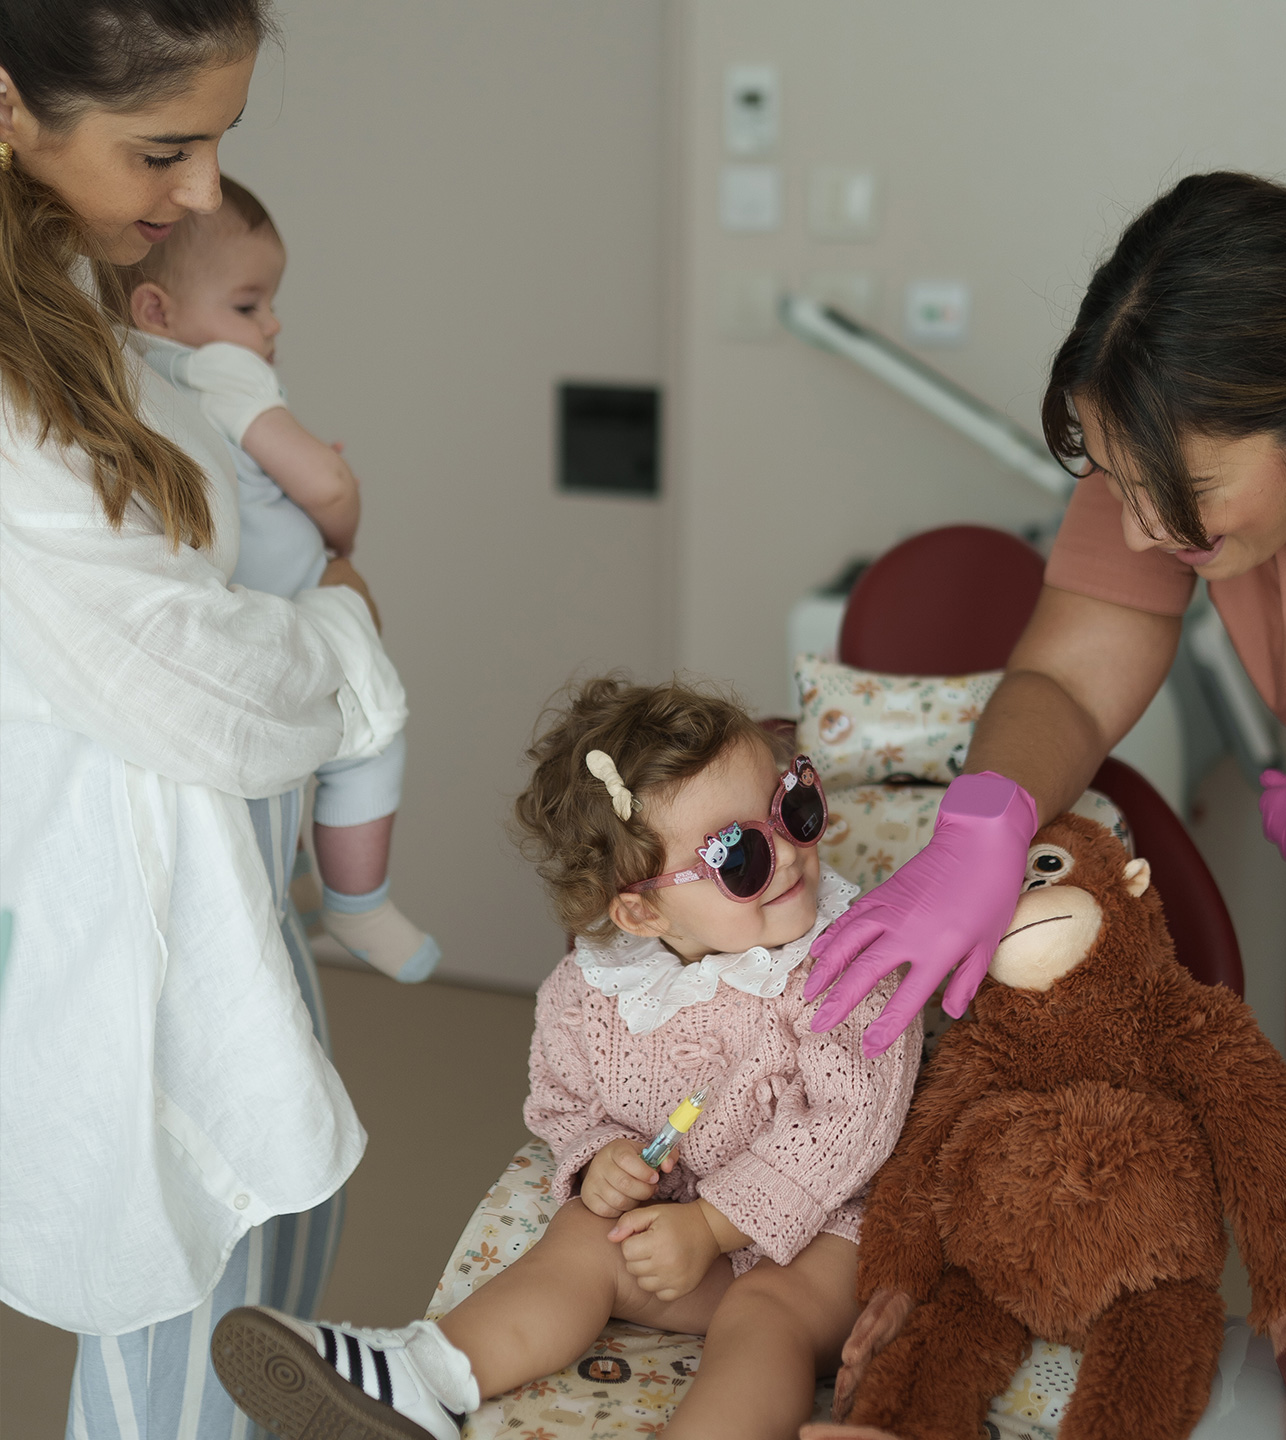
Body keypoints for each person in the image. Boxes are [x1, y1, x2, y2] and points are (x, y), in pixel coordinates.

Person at [804, 171, 1286, 1440]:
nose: (1141, 530)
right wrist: (984, 824)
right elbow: (1069, 672)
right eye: (1118, 483)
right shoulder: (1164, 436)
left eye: (1176, 499)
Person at [0, 2, 405, 1436]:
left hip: (233, 901)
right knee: (182, 1351)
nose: (203, 196)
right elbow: (198, 690)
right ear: (8, 110)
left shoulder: (76, 302)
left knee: (255, 1310)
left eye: (219, 142)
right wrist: (345, 627)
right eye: (164, 148)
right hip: (140, 946)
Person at [209, 677, 923, 1440]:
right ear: (644, 911)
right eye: (737, 855)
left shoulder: (852, 960)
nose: (783, 852)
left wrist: (715, 1226)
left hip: (833, 1241)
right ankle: (425, 1376)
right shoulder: (593, 992)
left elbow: (851, 1126)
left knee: (761, 1314)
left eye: (794, 809)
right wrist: (600, 1159)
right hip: (691, 1236)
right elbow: (564, 1101)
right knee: (585, 1236)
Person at [126, 174, 438, 982]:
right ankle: (358, 900)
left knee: (292, 753)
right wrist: (343, 544)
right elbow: (327, 484)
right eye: (247, 304)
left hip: (230, 603)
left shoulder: (128, 368)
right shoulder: (223, 372)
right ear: (157, 309)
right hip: (298, 597)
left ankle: (302, 874)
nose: (270, 324)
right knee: (370, 728)